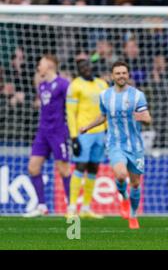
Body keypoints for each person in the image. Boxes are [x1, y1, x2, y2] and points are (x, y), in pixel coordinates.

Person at [80, 61, 152, 229]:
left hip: (135, 146)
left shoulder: (137, 95)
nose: (121, 76)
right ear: (112, 76)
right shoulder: (105, 95)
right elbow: (103, 116)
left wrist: (142, 117)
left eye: (124, 73)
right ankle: (124, 198)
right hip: (115, 144)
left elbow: (148, 118)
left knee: (135, 183)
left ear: (128, 75)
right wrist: (87, 127)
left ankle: (133, 214)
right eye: (118, 73)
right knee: (120, 175)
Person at [23, 54, 71, 217]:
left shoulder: (64, 85)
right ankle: (42, 206)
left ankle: (71, 205)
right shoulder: (42, 85)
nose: (38, 67)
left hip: (58, 132)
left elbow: (70, 108)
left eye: (41, 64)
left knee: (63, 170)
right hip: (42, 132)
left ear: (50, 66)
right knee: (33, 167)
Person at [66, 59, 108, 219]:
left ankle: (85, 207)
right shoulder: (75, 86)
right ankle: (71, 207)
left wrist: (108, 130)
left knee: (93, 168)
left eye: (88, 66)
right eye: (82, 67)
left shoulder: (102, 84)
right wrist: (74, 136)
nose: (86, 69)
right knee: (80, 166)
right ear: (78, 70)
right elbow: (70, 113)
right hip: (83, 133)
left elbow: (106, 110)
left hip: (100, 133)